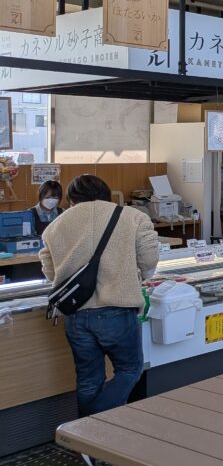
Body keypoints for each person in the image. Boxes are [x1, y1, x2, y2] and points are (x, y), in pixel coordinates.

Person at [38, 175, 159, 422]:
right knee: (130, 369)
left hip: (75, 313)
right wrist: (140, 275)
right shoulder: (133, 217)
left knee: (88, 379)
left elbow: (50, 272)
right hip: (117, 308)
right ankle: (94, 424)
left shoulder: (56, 225)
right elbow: (149, 261)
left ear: (71, 199)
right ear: (106, 194)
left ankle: (86, 437)